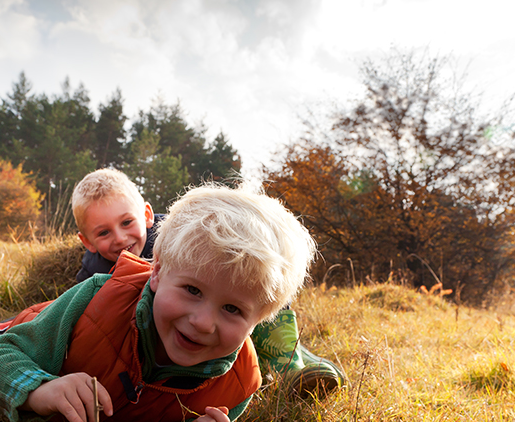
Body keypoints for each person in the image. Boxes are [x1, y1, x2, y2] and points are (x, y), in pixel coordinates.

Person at [0, 182, 316, 422]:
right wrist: (38, 388)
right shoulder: (96, 295)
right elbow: (0, 357)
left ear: (261, 319)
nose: (202, 322)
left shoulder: (236, 386)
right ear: (158, 271)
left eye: (233, 310)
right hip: (47, 337)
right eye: (192, 291)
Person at [70, 168, 345, 394]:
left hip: (227, 307)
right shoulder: (94, 272)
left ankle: (294, 365)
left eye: (127, 223)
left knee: (247, 300)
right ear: (87, 242)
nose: (119, 238)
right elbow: (86, 312)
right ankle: (295, 362)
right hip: (182, 323)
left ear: (147, 215)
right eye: (104, 232)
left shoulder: (182, 235)